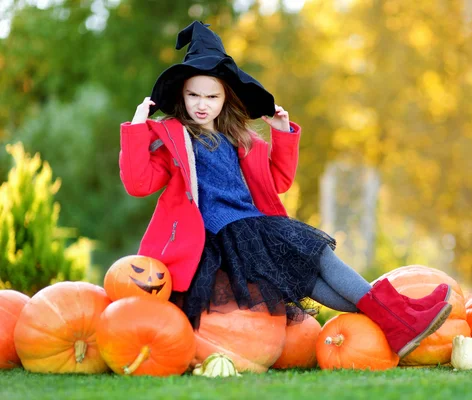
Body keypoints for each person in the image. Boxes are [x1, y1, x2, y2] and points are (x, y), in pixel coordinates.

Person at [119, 21, 452, 359]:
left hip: (255, 224)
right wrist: (135, 129)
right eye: (193, 95)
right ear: (181, 95)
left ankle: (396, 321)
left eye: (211, 96)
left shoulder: (240, 139)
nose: (201, 104)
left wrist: (281, 133)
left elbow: (277, 182)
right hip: (227, 234)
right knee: (319, 256)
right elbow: (138, 184)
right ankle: (398, 318)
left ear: (225, 98)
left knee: (312, 280)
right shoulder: (173, 140)